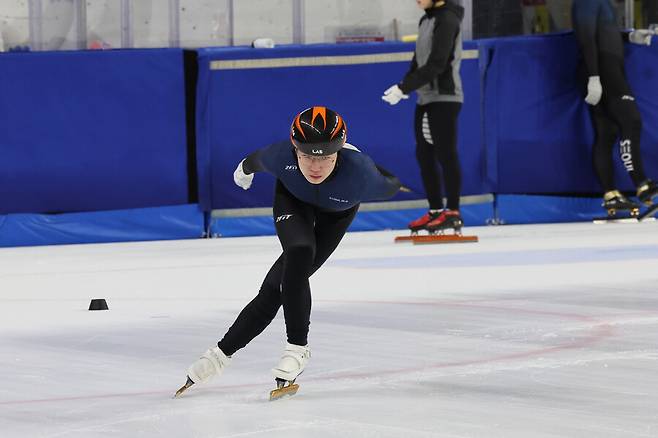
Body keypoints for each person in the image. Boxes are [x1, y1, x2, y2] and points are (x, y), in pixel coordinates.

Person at [177, 107, 402, 397]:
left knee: (275, 287)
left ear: (339, 153)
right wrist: (243, 170)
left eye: (326, 157)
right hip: (293, 200)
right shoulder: (281, 157)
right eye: (307, 156)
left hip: (336, 214)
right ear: (295, 150)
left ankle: (223, 354)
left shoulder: (362, 175)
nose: (316, 166)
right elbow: (254, 160)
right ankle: (294, 348)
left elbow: (391, 185)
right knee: (299, 250)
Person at [382, 0, 465, 235]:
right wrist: (404, 85)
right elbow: (418, 62)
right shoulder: (426, 19)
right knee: (424, 155)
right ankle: (436, 210)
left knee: (446, 154)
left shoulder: (447, 19)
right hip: (426, 97)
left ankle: (453, 213)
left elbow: (438, 63)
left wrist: (404, 88)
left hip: (444, 97)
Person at [572, 0, 658, 215]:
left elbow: (603, 33)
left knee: (607, 133)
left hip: (603, 67)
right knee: (631, 121)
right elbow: (586, 37)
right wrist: (594, 76)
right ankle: (642, 185)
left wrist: (630, 36)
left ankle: (611, 193)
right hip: (602, 68)